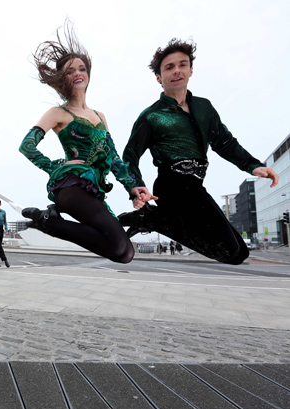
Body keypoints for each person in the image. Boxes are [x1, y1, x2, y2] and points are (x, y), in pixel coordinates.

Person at [120, 38, 279, 265]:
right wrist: (135, 186)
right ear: (158, 77)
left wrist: (253, 165)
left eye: (182, 64)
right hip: (172, 185)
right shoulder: (151, 116)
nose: (177, 71)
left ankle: (150, 219)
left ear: (191, 70)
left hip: (195, 185)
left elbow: (225, 142)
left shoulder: (204, 107)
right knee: (227, 252)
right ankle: (150, 219)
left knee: (240, 253)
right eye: (169, 67)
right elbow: (130, 156)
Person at [19, 22, 153, 264]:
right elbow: (26, 146)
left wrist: (132, 187)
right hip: (70, 188)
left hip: (93, 189)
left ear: (88, 74)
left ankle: (49, 222)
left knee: (124, 253)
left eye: (82, 68)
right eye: (70, 71)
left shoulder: (100, 117)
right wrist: (56, 167)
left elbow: (113, 158)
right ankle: (47, 221)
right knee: (120, 247)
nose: (77, 73)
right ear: (62, 78)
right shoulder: (57, 113)